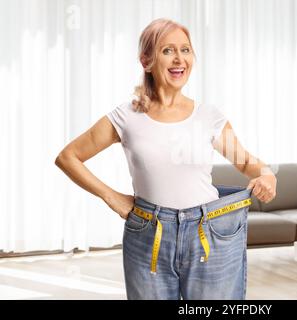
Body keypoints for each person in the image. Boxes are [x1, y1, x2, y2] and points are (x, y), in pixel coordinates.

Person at [55, 18, 277, 300]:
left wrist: (267, 174)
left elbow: (246, 162)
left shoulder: (208, 117)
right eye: (168, 50)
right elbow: (68, 157)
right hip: (149, 233)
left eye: (185, 50)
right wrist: (112, 197)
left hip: (209, 231)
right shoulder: (126, 117)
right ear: (146, 60)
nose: (179, 59)